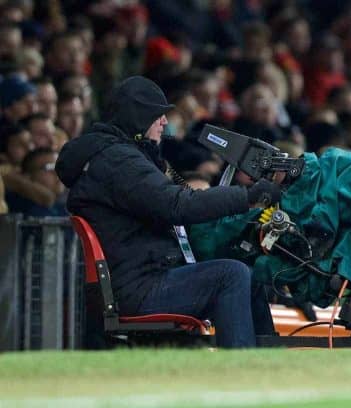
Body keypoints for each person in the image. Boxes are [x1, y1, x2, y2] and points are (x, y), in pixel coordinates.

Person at [56, 76, 281, 348]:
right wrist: (247, 197)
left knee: (250, 277)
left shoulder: (115, 157)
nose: (164, 122)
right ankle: (239, 372)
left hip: (141, 278)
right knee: (231, 275)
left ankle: (267, 367)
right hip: (139, 288)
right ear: (138, 117)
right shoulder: (118, 161)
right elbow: (178, 205)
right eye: (157, 115)